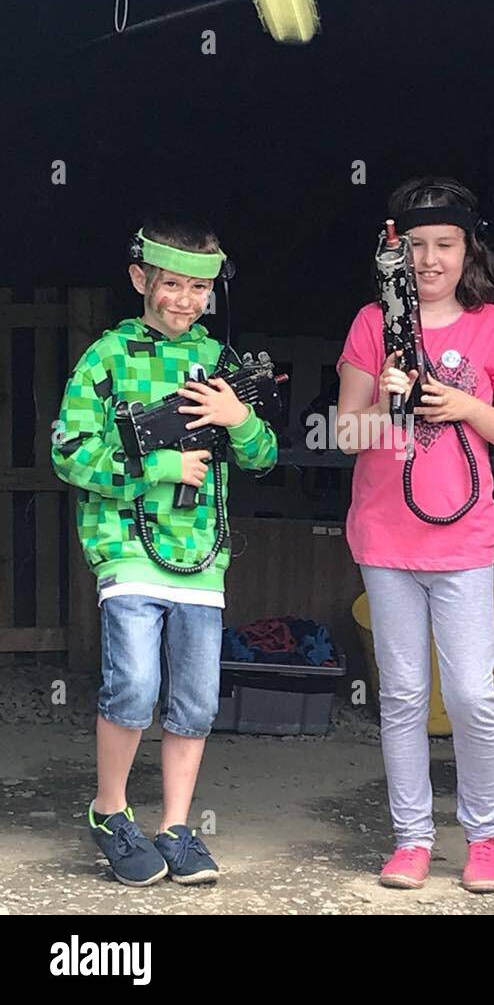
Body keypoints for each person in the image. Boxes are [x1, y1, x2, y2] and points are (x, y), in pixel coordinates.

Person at [51, 212, 278, 887]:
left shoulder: (220, 363)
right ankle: (109, 811)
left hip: (201, 555)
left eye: (198, 289)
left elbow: (264, 458)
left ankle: (177, 827)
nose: (184, 300)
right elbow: (69, 452)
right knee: (136, 685)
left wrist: (241, 420)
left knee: (198, 698)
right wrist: (158, 469)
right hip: (126, 548)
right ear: (139, 279)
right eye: (170, 284)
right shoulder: (107, 356)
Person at [336, 177, 494, 892]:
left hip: (462, 538)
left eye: (444, 244)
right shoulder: (371, 324)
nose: (429, 259)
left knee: (472, 695)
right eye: (416, 245)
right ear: (395, 252)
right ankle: (412, 838)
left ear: (467, 248)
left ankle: (485, 837)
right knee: (401, 693)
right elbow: (345, 430)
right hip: (386, 537)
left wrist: (461, 405)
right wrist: (389, 403)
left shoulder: (492, 327)